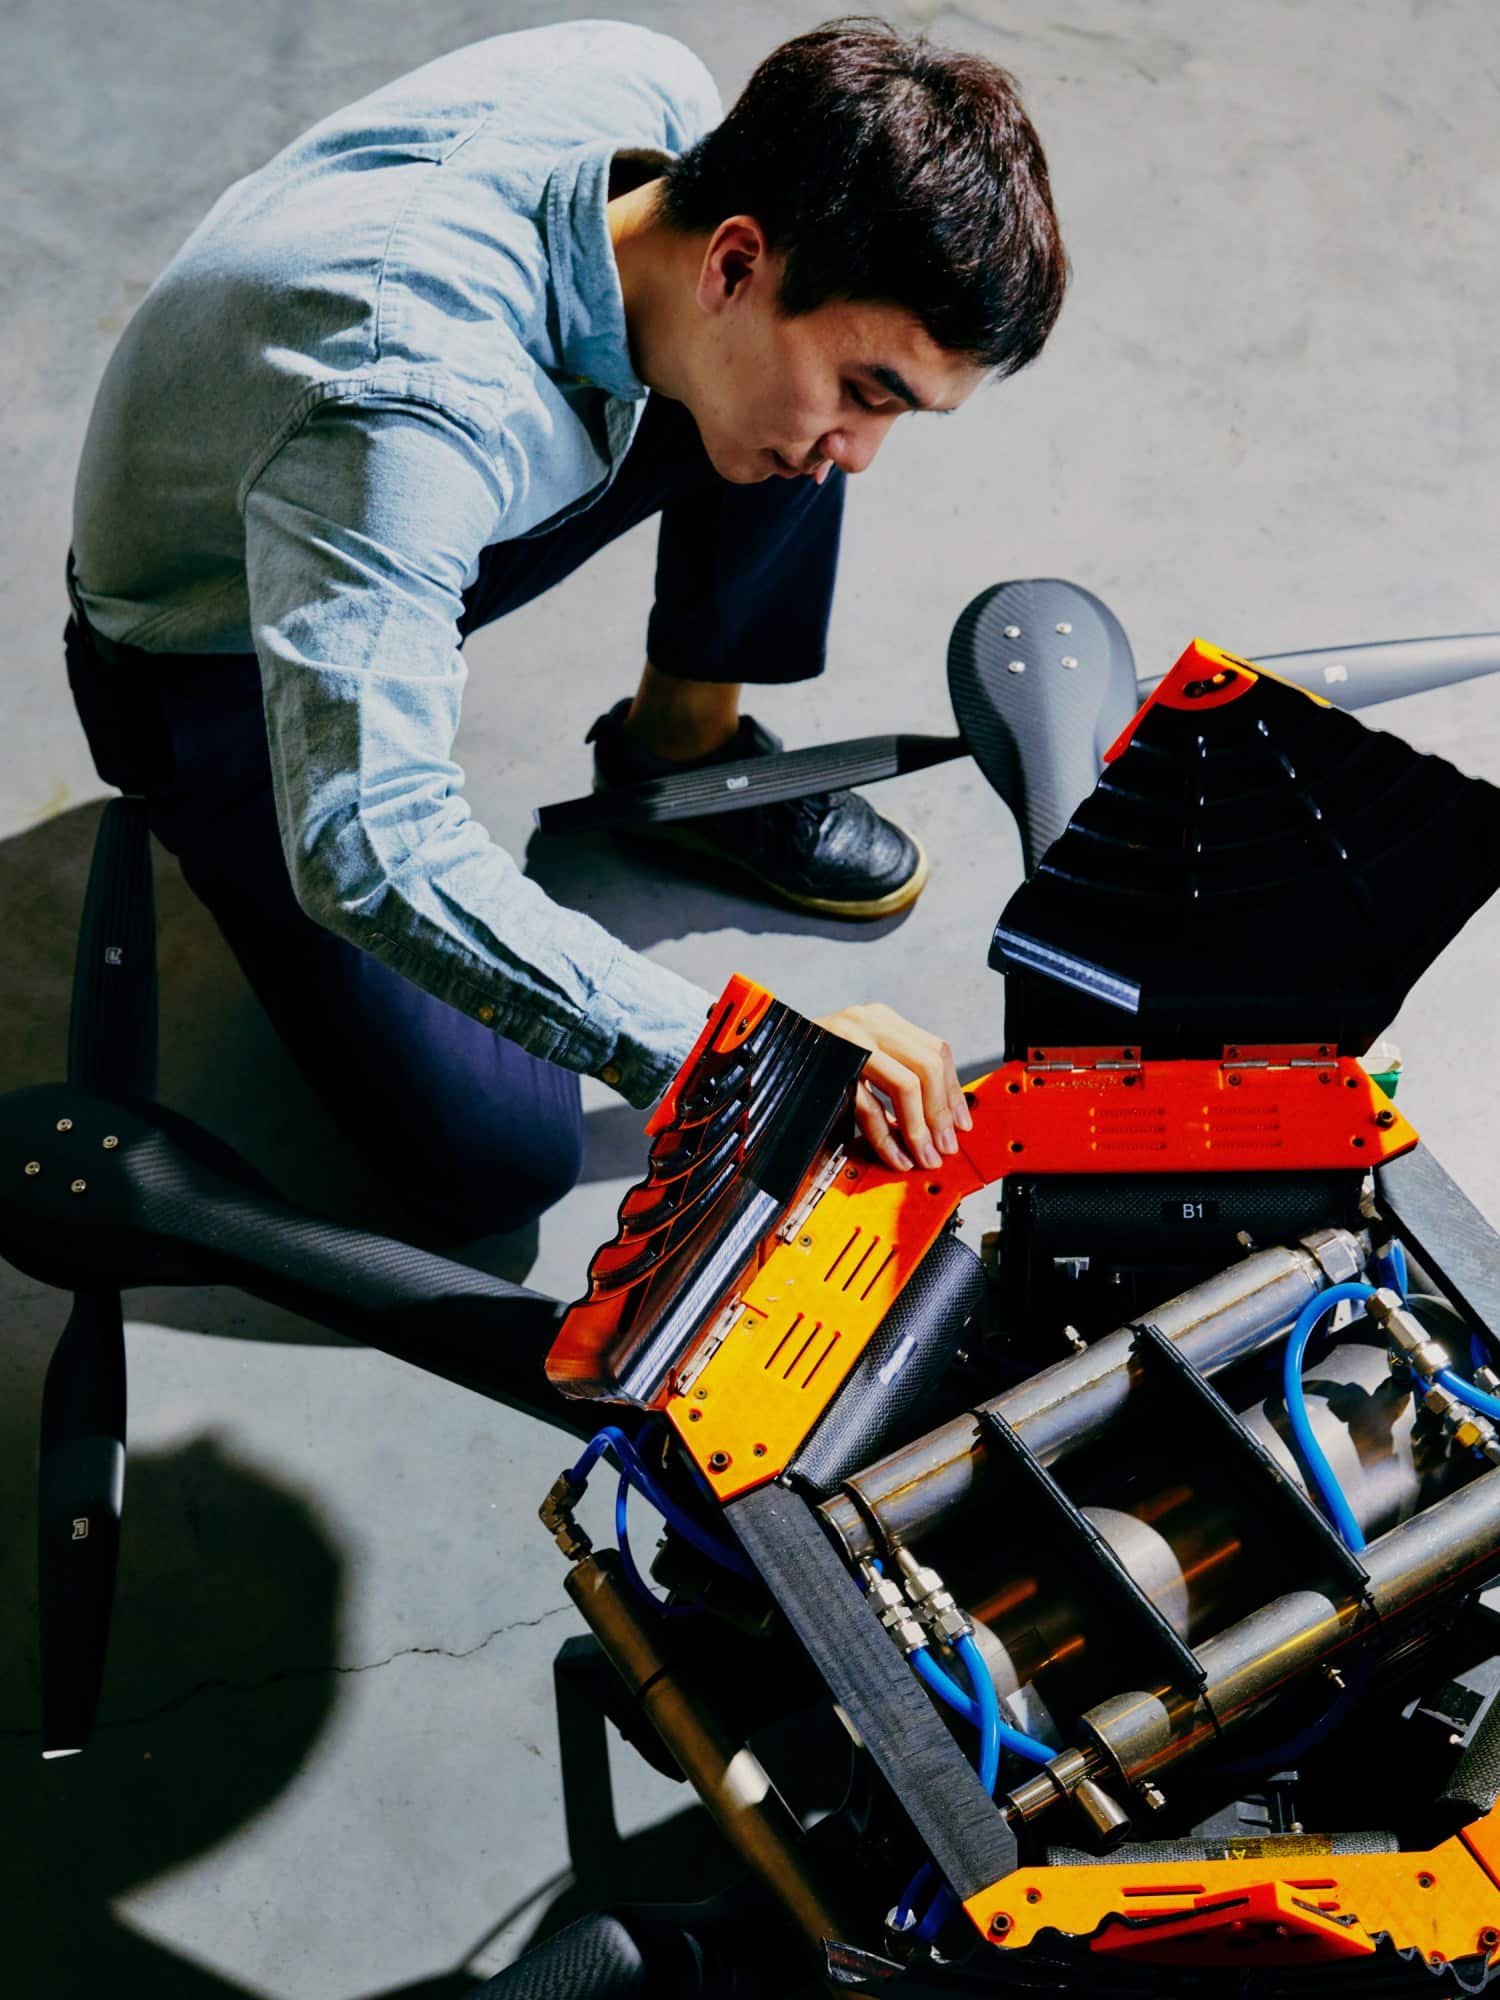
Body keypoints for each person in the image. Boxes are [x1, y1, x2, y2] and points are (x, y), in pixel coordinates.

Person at [65, 17, 1067, 1243]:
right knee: (501, 1157)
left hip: (384, 481)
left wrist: (825, 405)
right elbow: (372, 848)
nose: (865, 450)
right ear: (736, 261)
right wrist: (735, 1052)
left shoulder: (650, 97)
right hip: (210, 663)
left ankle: (679, 746)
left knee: (779, 438)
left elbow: (790, 406)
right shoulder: (404, 403)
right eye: (871, 390)